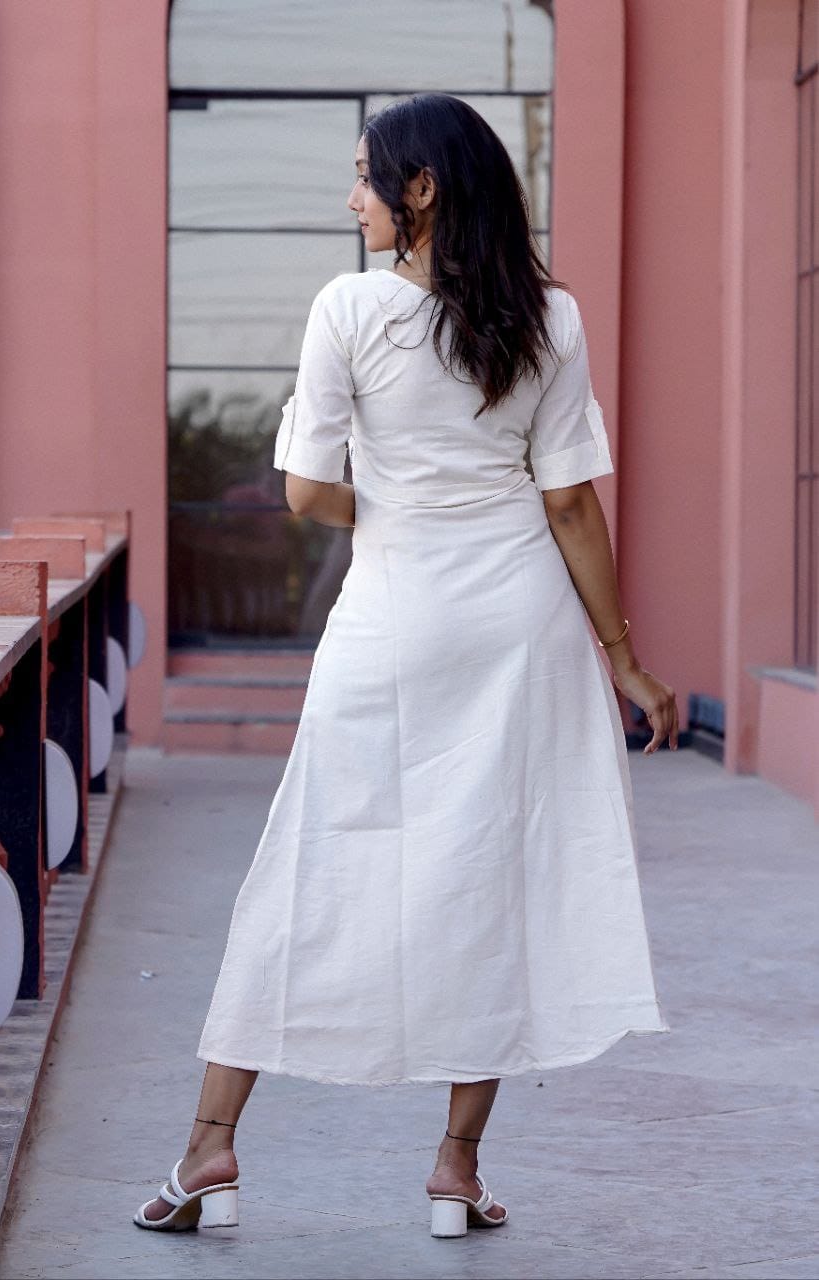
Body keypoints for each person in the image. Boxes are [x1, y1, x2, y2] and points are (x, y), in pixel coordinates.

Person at [134, 92, 676, 1239]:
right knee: (497, 876)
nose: (351, 199)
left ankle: (209, 1146)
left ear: (420, 189)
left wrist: (397, 505)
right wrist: (625, 661)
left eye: (364, 178)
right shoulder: (552, 319)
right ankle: (454, 1166)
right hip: (521, 626)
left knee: (311, 862)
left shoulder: (350, 308)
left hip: (392, 619)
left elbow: (305, 492)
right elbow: (570, 503)